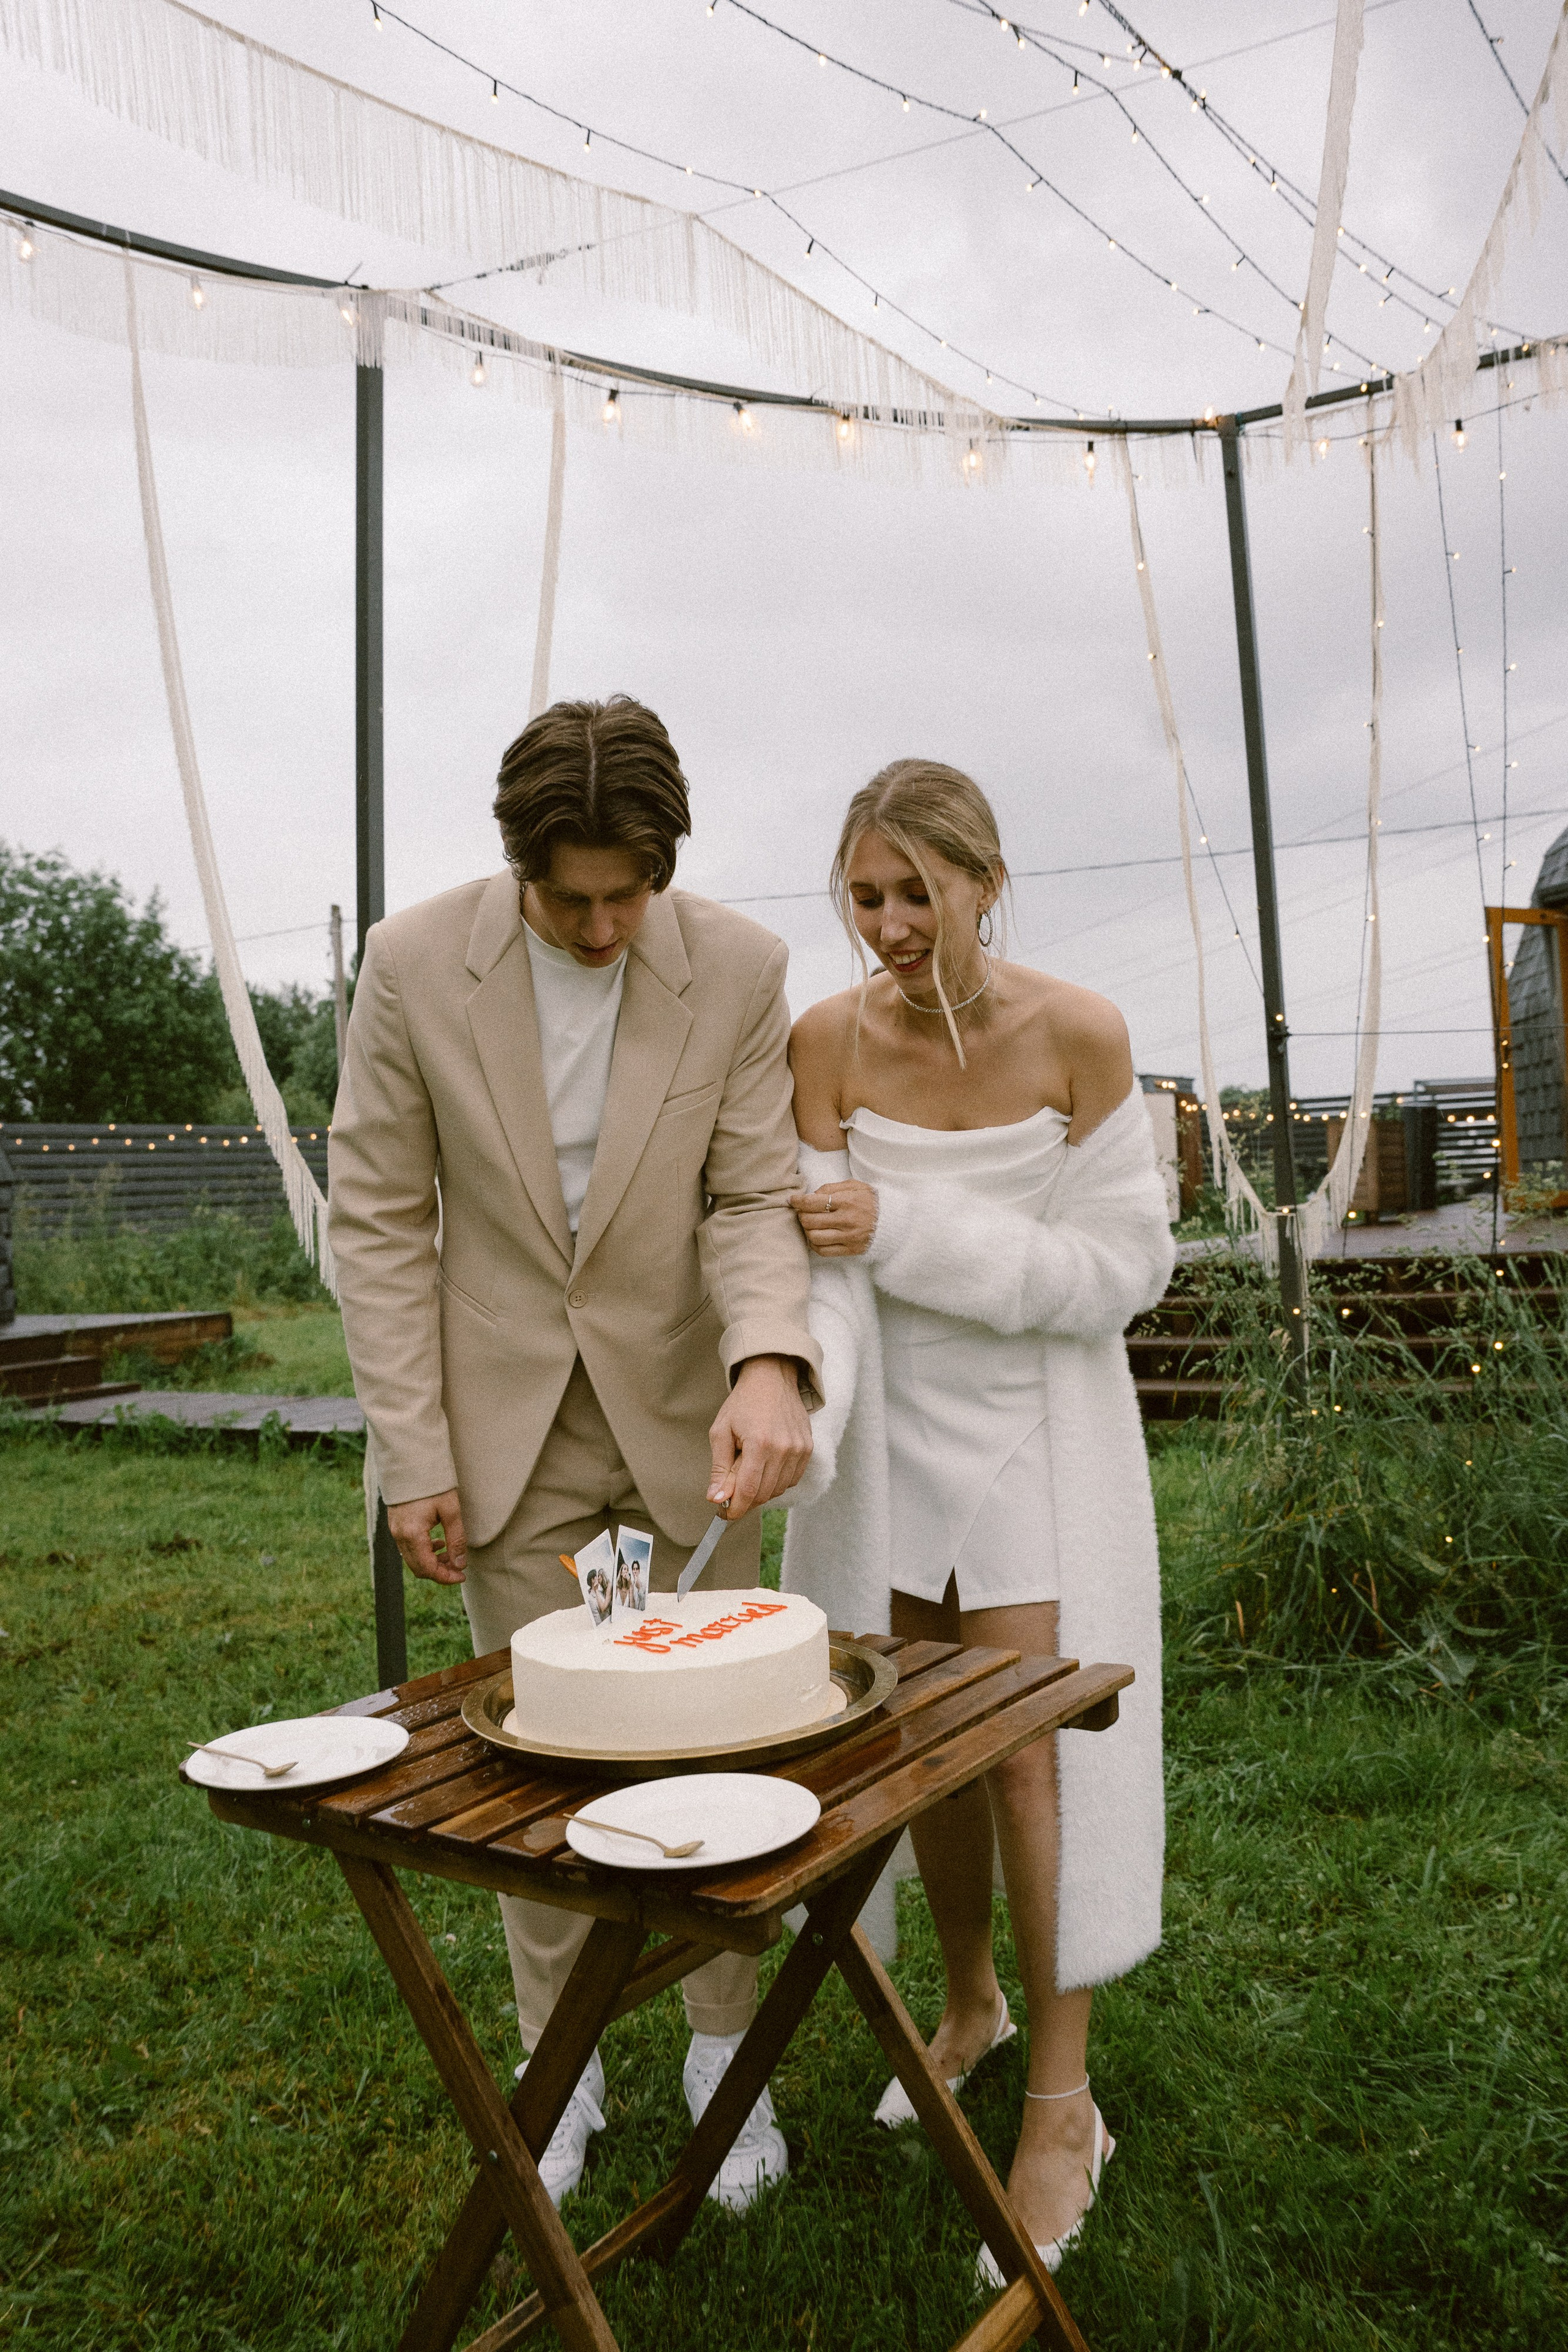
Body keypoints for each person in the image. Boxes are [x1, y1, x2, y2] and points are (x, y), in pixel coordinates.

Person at [329, 696, 820, 2213]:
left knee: (715, 1744)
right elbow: (378, 1217)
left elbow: (748, 1197)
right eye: (572, 899)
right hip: (501, 1433)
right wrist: (414, 1448)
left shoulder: (738, 967)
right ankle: (561, 2067)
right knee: (537, 1762)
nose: (605, 926)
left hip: (688, 1418)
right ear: (518, 866)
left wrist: (767, 1363)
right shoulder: (413, 963)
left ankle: (719, 2064)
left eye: (632, 894)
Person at [782, 758, 1173, 2280]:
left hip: (1034, 1435)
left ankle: (1064, 2104)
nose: (884, 923)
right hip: (889, 1436)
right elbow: (817, 1266)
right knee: (914, 1749)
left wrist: (911, 1230)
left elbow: (1117, 1274)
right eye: (862, 895)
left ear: (980, 879)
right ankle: (967, 2003)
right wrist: (797, 1394)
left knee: (1025, 1758)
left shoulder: (1078, 1034)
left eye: (912, 892)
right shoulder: (820, 1045)